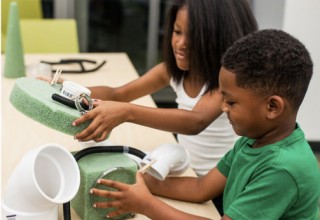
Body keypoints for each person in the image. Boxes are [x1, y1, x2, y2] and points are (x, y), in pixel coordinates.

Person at [89, 29, 320, 219]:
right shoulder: (253, 141)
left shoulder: (283, 169)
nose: (223, 108)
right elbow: (201, 188)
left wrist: (146, 205)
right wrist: (139, 182)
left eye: (231, 102)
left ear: (272, 107)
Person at [71, 0, 257, 178]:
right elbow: (118, 94)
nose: (181, 44)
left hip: (215, 188)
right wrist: (67, 89)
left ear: (219, 39)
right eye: (177, 32)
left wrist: (127, 113)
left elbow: (195, 121)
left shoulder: (225, 83)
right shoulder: (171, 71)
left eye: (193, 37)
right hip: (186, 172)